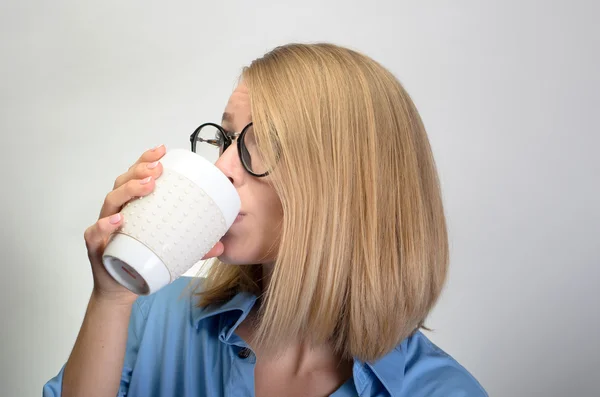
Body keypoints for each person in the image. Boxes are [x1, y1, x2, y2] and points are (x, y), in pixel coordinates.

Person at [43, 42, 488, 397]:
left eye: (262, 143)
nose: (222, 168)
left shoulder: (439, 390)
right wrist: (111, 298)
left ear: (347, 183)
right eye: (228, 139)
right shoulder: (156, 312)